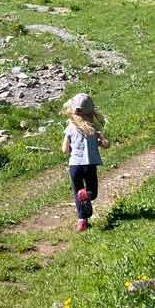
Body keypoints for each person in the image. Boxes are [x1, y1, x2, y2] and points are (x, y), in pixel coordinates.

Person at [62, 93, 109, 232]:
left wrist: (73, 148)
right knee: (92, 192)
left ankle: (82, 220)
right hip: (90, 165)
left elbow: (65, 149)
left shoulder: (70, 127)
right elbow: (106, 144)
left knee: (78, 193)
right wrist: (100, 142)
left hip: (75, 166)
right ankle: (87, 196)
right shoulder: (94, 128)